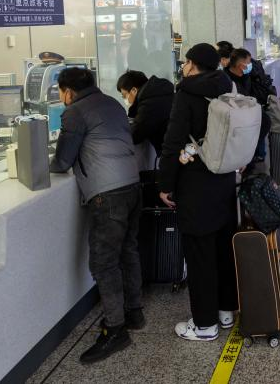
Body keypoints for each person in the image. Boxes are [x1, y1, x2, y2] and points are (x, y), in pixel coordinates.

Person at [50, 68, 142, 363]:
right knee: (128, 250)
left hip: (107, 193)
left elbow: (62, 161)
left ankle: (115, 330)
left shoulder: (74, 112)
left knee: (103, 263)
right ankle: (134, 313)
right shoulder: (112, 103)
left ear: (68, 92)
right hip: (133, 185)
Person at [159, 43, 238, 342]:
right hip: (225, 177)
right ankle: (226, 311)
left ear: (192, 64)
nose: (183, 66)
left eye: (185, 62)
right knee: (223, 248)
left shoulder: (187, 93)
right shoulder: (227, 85)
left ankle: (205, 325)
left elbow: (173, 142)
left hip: (196, 184)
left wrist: (165, 185)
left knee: (200, 255)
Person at [226, 47, 274, 166]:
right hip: (238, 120)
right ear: (241, 66)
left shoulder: (246, 75)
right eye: (248, 62)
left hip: (249, 114)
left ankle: (251, 156)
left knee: (265, 122)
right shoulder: (226, 81)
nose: (251, 65)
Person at [117, 70, 175, 168]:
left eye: (124, 95)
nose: (125, 99)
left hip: (172, 154)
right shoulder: (159, 94)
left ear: (134, 90)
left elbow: (135, 134)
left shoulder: (149, 104)